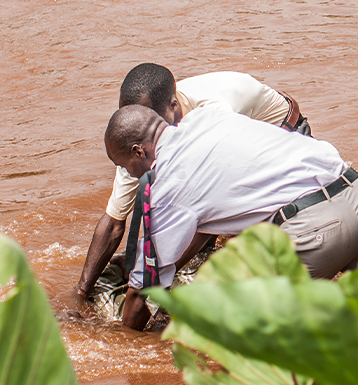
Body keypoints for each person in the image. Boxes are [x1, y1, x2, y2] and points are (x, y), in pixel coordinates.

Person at [104, 103, 358, 330]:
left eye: (125, 166)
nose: (129, 174)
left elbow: (142, 290)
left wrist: (125, 337)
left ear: (138, 151)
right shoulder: (208, 116)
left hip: (314, 233)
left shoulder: (166, 183)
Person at [74, 63, 310, 301]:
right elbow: (114, 222)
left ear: (173, 106)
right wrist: (81, 291)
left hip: (281, 134)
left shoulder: (213, 111)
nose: (141, 125)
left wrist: (155, 266)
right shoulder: (139, 135)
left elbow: (213, 194)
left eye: (148, 118)